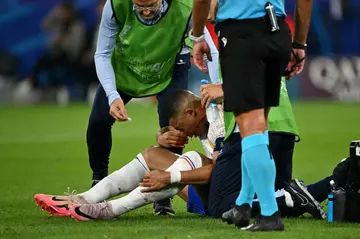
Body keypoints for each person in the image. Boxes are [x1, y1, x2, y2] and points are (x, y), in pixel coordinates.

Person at [33, 91, 327, 221]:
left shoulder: (219, 121)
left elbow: (217, 171)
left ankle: (110, 210)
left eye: (176, 125)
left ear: (191, 112)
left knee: (194, 162)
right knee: (154, 153)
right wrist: (164, 139)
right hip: (216, 192)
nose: (177, 132)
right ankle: (85, 198)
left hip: (232, 193)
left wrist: (171, 176)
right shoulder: (203, 127)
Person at [86, 0, 219, 215]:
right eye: (139, 6)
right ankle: (98, 179)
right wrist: (112, 96)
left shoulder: (186, 6)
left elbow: (209, 50)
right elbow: (102, 54)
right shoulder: (116, 6)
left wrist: (217, 90)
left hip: (169, 66)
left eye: (151, 5)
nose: (146, 11)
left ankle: (164, 195)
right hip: (127, 68)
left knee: (173, 127)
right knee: (98, 121)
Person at [190, 0, 313, 231]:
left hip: (242, 34)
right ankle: (243, 204)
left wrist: (197, 37)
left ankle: (269, 213)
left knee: (250, 125)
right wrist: (299, 43)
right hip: (278, 33)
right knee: (258, 125)